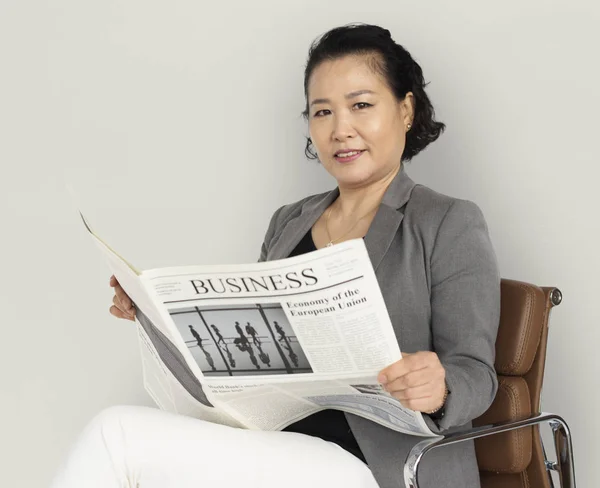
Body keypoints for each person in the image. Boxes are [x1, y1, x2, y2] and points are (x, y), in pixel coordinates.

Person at [52, 23, 500, 488]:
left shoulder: (447, 221)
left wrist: (440, 386)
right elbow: (248, 360)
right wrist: (151, 315)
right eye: (322, 112)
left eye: (361, 105)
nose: (341, 129)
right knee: (124, 443)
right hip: (273, 446)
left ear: (406, 110)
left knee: (116, 436)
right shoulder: (290, 223)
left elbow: (477, 374)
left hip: (377, 467)